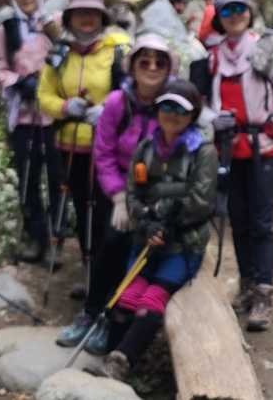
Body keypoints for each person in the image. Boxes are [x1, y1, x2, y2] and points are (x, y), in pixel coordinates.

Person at [189, 0, 273, 332]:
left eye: (239, 9)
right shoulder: (212, 58)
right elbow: (200, 105)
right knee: (238, 220)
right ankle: (246, 284)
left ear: (249, 12)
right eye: (227, 11)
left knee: (260, 222)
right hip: (229, 147)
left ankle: (263, 295)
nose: (235, 16)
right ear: (219, 18)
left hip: (262, 147)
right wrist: (213, 119)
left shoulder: (265, 49)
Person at [85, 80, 217, 383]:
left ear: (193, 114)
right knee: (126, 297)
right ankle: (112, 358)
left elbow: (202, 201)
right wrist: (145, 222)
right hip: (146, 237)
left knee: (151, 300)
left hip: (183, 243)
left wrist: (168, 223)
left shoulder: (203, 152)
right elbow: (133, 193)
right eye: (166, 107)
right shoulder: (145, 148)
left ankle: (122, 364)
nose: (172, 114)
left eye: (180, 109)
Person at [57, 34, 180, 347]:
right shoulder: (116, 103)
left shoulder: (173, 105)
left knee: (136, 252)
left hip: (155, 192)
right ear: (132, 66)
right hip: (116, 189)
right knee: (109, 243)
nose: (152, 68)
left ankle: (113, 321)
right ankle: (91, 312)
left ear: (169, 68)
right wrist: (119, 197)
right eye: (144, 61)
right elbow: (104, 153)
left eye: (159, 62)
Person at [36, 0, 132, 282]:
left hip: (108, 149)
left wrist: (108, 110)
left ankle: (108, 277)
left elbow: (132, 92)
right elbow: (44, 96)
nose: (87, 18)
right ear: (69, 19)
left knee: (106, 211)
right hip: (69, 146)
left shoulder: (118, 50)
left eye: (92, 12)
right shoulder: (60, 54)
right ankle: (90, 272)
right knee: (82, 209)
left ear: (102, 17)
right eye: (80, 13)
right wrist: (65, 107)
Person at [0, 0, 60, 263]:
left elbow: (68, 55)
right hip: (23, 115)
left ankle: (56, 239)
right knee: (28, 178)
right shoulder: (5, 30)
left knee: (57, 179)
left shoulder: (55, 23)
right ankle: (34, 236)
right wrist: (18, 82)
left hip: (55, 115)